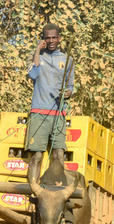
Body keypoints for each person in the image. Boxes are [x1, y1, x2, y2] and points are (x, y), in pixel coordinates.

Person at [25, 23, 74, 184]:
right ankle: (33, 190)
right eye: (47, 38)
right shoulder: (37, 56)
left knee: (58, 155)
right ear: (43, 40)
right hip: (39, 113)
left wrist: (68, 93)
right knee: (37, 156)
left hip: (58, 114)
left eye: (54, 37)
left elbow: (70, 86)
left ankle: (56, 192)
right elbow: (33, 74)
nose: (51, 40)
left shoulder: (68, 60)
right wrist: (38, 50)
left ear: (59, 38)